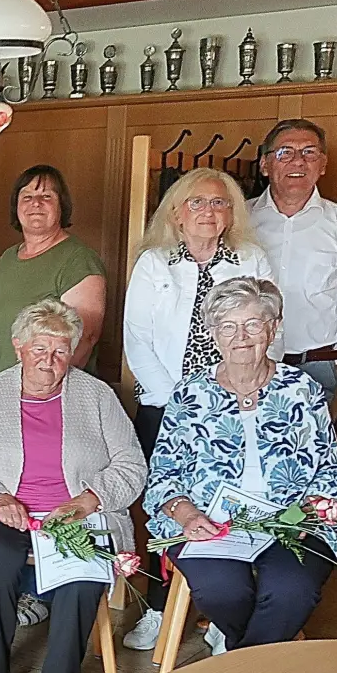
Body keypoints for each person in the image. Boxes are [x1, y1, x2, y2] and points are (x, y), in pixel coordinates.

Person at [0, 299, 145, 673]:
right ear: (19, 347)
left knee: (84, 571)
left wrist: (88, 500)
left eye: (59, 351)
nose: (49, 361)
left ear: (72, 352)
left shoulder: (97, 396)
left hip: (77, 513)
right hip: (3, 511)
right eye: (39, 349)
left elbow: (131, 464)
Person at [144, 278, 337, 656]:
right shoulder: (190, 393)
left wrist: (312, 509)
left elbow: (330, 471)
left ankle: (238, 656)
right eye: (228, 326)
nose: (241, 336)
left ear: (273, 328)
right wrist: (187, 515)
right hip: (210, 521)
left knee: (293, 590)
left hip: (290, 521)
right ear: (213, 334)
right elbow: (162, 475)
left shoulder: (302, 389)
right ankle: (259, 656)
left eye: (253, 324)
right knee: (222, 589)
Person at [121, 167, 275, 648]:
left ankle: (222, 613)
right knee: (167, 504)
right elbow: (137, 338)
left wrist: (240, 397)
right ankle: (160, 606)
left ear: (232, 213)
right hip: (166, 406)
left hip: (237, 406)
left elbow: (270, 328)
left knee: (233, 499)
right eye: (198, 202)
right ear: (176, 213)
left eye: (219, 202)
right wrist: (180, 403)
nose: (209, 211)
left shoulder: (250, 259)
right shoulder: (155, 263)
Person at [248, 119, 337, 401]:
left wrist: (326, 355)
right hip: (246, 363)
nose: (298, 161)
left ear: (322, 164)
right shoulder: (240, 219)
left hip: (313, 366)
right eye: (285, 152)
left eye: (309, 152)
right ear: (265, 165)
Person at [0, 165, 106, 377]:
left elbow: (85, 339)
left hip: (47, 391)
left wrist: (41, 389)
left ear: (61, 205)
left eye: (46, 196)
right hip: (1, 387)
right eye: (27, 197)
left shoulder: (79, 260)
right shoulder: (8, 258)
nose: (36, 203)